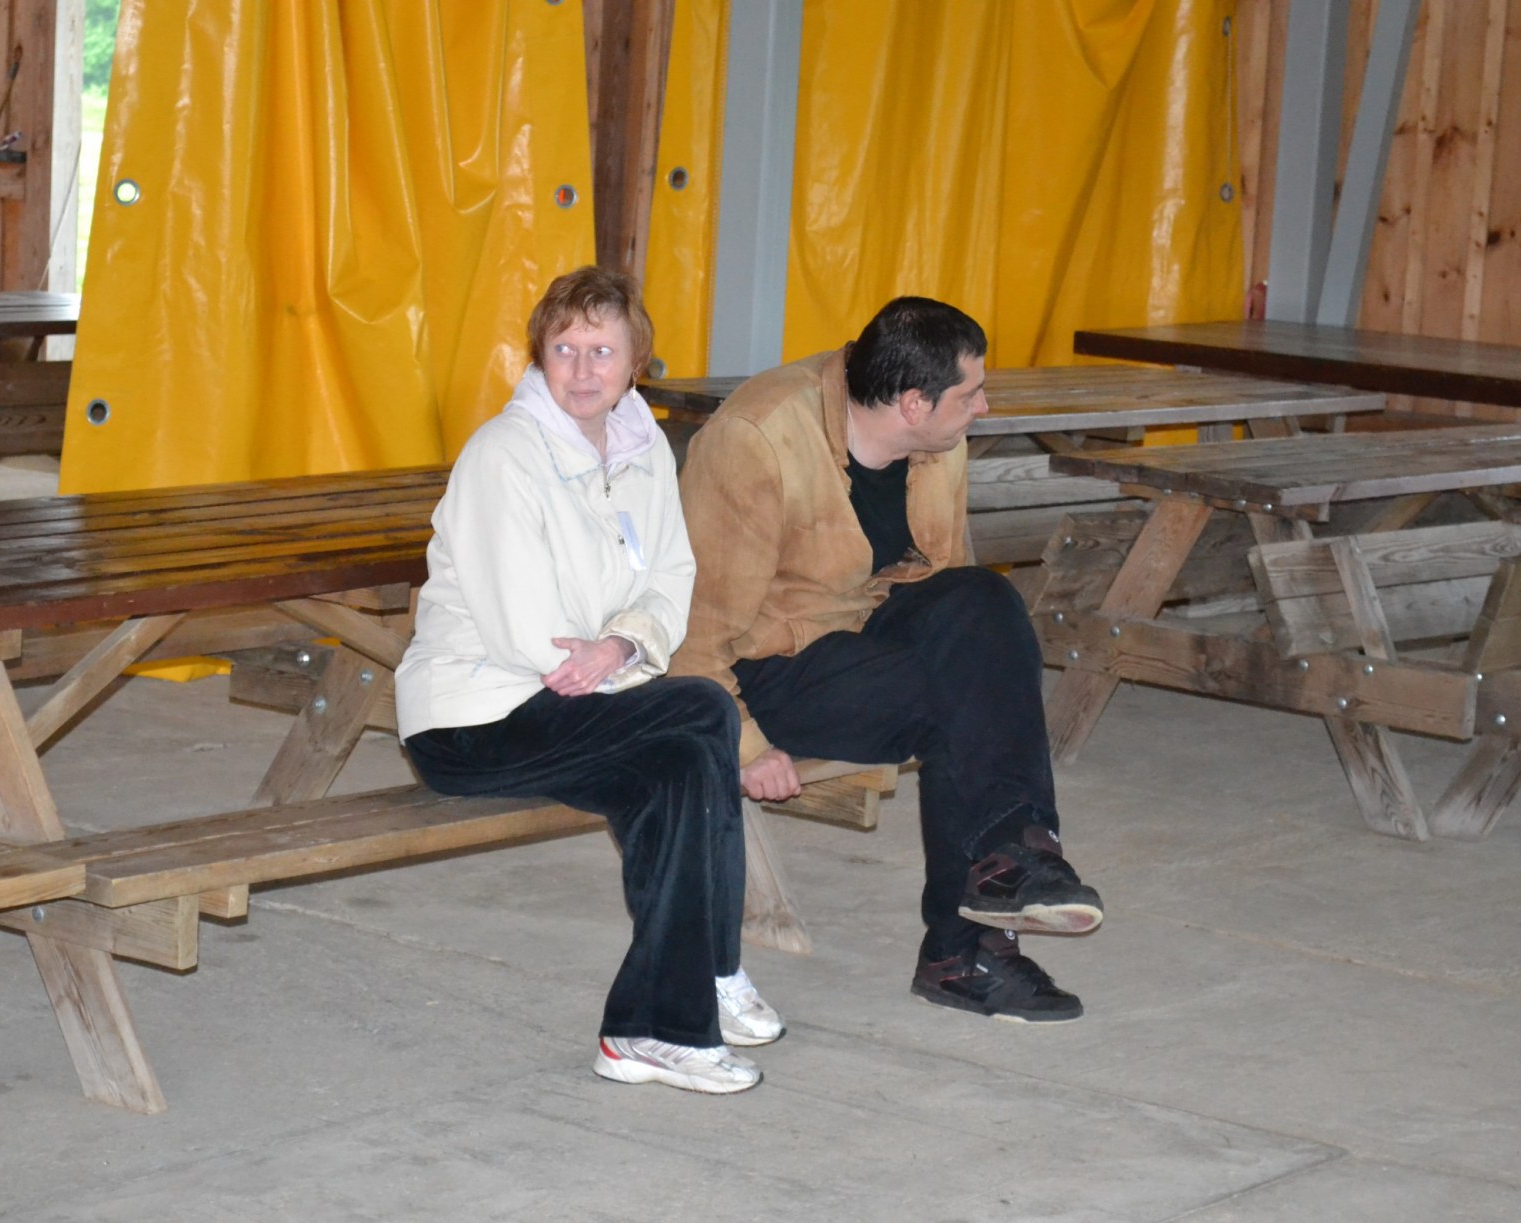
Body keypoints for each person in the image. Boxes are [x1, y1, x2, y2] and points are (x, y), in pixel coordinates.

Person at [395, 266, 782, 1094]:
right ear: (538, 356)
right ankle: (706, 976)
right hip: (475, 718)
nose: (580, 369)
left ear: (635, 360)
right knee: (701, 709)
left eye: (601, 351)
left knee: (681, 764)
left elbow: (670, 578)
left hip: (580, 702)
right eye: (563, 349)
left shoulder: (644, 452)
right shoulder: (504, 454)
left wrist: (622, 646)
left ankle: (648, 1028)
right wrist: (616, 658)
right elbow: (528, 633)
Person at [671, 296, 1102, 1023]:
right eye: (971, 394)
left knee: (988, 606)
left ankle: (1015, 851)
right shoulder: (757, 440)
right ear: (911, 403)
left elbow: (948, 581)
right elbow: (695, 633)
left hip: (866, 624)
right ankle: (964, 955)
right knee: (958, 704)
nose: (984, 407)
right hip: (766, 665)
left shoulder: (938, 437)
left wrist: (976, 651)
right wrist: (742, 742)